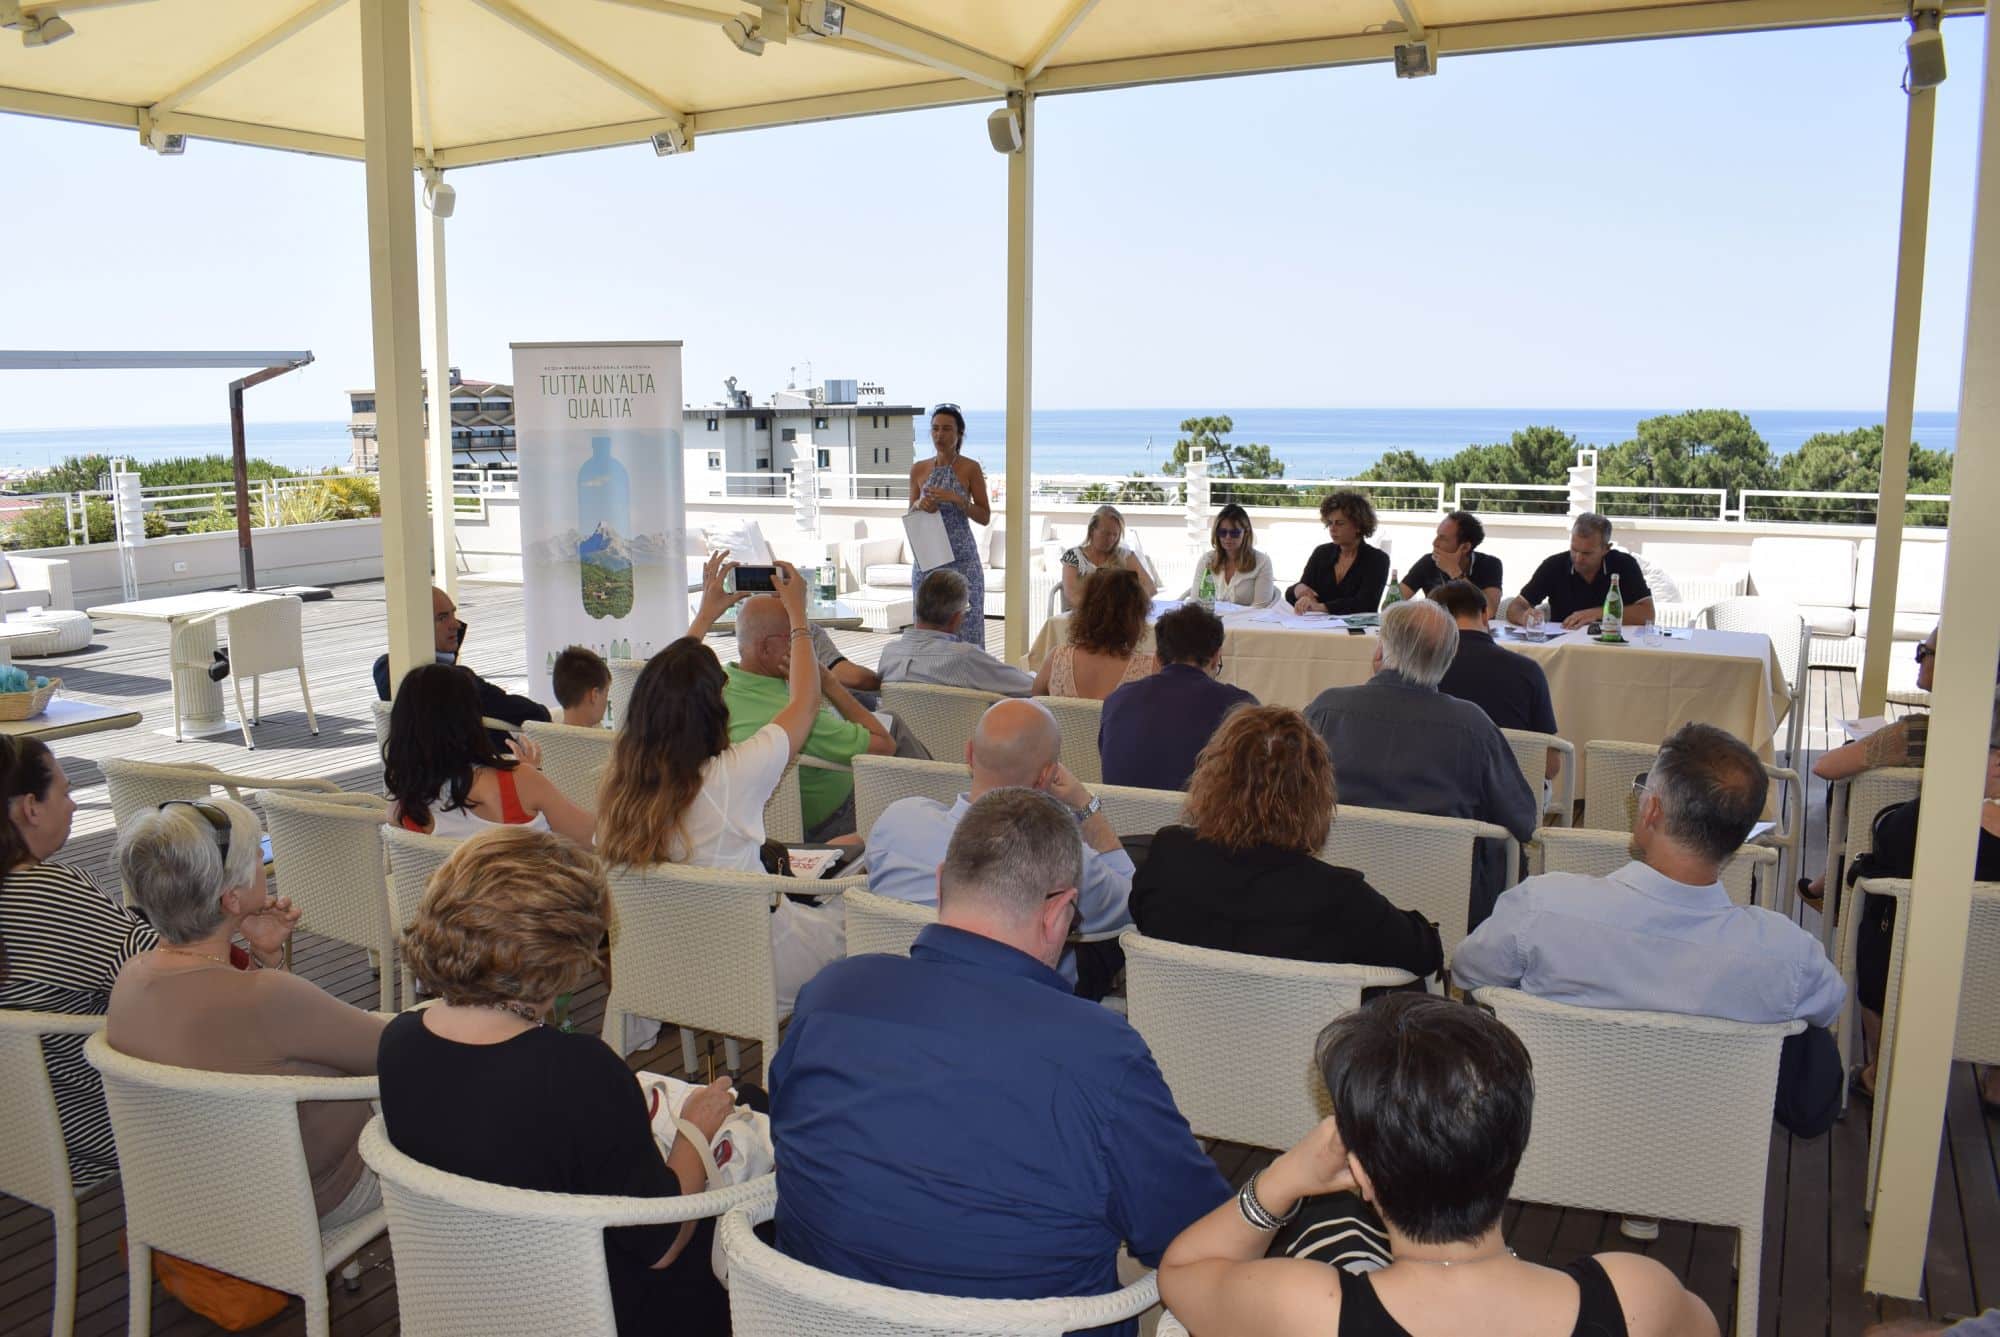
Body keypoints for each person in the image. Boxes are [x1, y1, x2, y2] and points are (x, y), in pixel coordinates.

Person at [773, 788, 1229, 1335]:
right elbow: (1197, 1235)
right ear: (1060, 913)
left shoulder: (828, 996)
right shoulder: (1102, 1055)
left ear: (941, 883)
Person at [1157, 994, 1719, 1337]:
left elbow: (1183, 1273)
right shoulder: (1636, 1295)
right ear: (1514, 1144)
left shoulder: (1308, 1311)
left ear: (1366, 1179)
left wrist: (1285, 1177)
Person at [380, 827, 739, 1336]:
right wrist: (695, 1132)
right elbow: (661, 1243)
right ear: (561, 953)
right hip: (588, 1306)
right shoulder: (576, 1070)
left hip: (466, 1289)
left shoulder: (400, 1040)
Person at [1453, 723, 1845, 1131]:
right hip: (1706, 1162)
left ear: (1652, 810)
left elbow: (1469, 971)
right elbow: (1828, 1004)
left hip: (1556, 1139)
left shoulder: (1541, 909)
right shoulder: (1789, 957)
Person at [108, 799, 387, 1230]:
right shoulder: (263, 996)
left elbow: (263, 1039)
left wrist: (264, 955)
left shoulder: (132, 978)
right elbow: (388, 1054)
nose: (263, 856)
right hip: (323, 1190)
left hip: (207, 1192)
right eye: (255, 851)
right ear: (232, 897)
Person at [597, 558, 844, 1015]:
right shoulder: (731, 775)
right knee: (854, 922)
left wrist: (705, 617)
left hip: (663, 967)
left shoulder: (622, 779)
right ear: (714, 705)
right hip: (752, 970)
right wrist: (799, 619)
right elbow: (805, 703)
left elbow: (660, 690)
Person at [1129, 706, 1441, 977]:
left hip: (1175, 1037)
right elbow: (1425, 952)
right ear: (1314, 796)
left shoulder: (1169, 855)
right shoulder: (1339, 896)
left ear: (1213, 778)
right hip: (1301, 1044)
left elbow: (1140, 915)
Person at [866, 698, 1133, 992]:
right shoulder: (1068, 859)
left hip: (902, 988)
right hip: (1028, 1004)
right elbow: (1134, 905)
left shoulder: (897, 820)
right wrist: (1085, 805)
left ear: (969, 754)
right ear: (1047, 775)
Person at [1305, 599, 1538, 930]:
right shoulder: (1473, 726)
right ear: (1446, 661)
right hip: (1446, 911)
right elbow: (1523, 820)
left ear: (1380, 652)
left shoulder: (1326, 711)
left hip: (1334, 901)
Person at [0, 736, 159, 1189]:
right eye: (66, 792)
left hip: (14, 1132)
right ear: (31, 807)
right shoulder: (49, 893)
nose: (72, 806)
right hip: (87, 1126)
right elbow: (166, 977)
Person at [1843, 691, 2000, 1110]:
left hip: (1927, 988)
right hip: (1990, 1002)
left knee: (1880, 910)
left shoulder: (1917, 825)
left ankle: (1881, 1069)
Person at [725, 584, 896, 840]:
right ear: (765, 648)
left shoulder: (717, 686)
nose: (805, 648)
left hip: (753, 823)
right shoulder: (800, 718)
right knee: (897, 734)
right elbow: (885, 745)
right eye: (793, 637)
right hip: (836, 818)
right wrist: (829, 683)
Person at [383, 662, 597, 847]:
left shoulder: (401, 812)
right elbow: (592, 838)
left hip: (449, 895)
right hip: (529, 893)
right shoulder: (520, 781)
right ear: (470, 719)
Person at [1098, 603, 1256, 791]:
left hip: (1118, 818)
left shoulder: (1117, 700)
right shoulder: (1240, 709)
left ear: (1157, 657)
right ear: (1215, 657)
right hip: (1202, 818)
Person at [1432, 579, 1561, 779]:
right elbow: (1550, 765)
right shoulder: (1527, 670)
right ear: (1485, 614)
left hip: (1437, 787)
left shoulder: (1422, 668)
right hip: (1509, 795)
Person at [371, 585, 549, 729]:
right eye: (442, 618)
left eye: (453, 614)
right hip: (479, 765)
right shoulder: (457, 679)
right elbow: (531, 713)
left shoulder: (385, 669)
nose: (455, 624)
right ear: (417, 626)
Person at [909, 402, 992, 647]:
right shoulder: (919, 469)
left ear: (959, 434)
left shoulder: (970, 468)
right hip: (928, 558)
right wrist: (920, 506)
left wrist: (957, 499)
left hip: (962, 559)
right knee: (926, 627)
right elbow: (910, 512)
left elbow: (984, 515)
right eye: (935, 429)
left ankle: (972, 681)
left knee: (969, 623)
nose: (939, 435)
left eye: (946, 429)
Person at [877, 568, 1034, 695]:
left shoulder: (889, 654)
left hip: (898, 734)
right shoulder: (965, 657)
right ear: (956, 618)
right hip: (961, 734)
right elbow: (1029, 687)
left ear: (918, 609)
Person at [1504, 512, 1655, 630]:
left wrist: (1596, 614)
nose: (1578, 558)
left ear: (1606, 549)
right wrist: (1524, 616)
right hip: (1566, 648)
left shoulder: (1624, 565)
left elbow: (1648, 614)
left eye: (1587, 553)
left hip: (1613, 645)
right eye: (1574, 550)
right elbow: (1515, 607)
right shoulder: (1554, 565)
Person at [1034, 566, 1159, 700]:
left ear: (1084, 611)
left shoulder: (1057, 659)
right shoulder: (1149, 669)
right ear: (1136, 617)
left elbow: (1037, 699)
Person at [1290, 490, 1392, 616]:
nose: (1332, 529)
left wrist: (1320, 607)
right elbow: (1298, 591)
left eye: (1340, 523)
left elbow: (1366, 604)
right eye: (1330, 523)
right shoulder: (1321, 553)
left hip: (1355, 631)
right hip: (1317, 627)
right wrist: (1299, 591)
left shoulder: (1377, 559)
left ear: (1358, 526)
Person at [1400, 509, 1502, 618]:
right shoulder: (1428, 562)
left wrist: (1454, 571)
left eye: (1443, 539)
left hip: (1473, 632)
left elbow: (1489, 612)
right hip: (1437, 631)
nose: (1435, 543)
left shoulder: (1490, 564)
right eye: (1437, 535)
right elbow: (1390, 604)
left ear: (1465, 547)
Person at [1061, 504, 1159, 610]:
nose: (1111, 539)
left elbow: (1150, 587)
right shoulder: (1074, 556)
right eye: (1106, 533)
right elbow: (1072, 595)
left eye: (1115, 535)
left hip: (1119, 617)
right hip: (1082, 617)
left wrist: (1129, 604)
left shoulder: (1125, 556)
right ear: (1092, 530)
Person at [1183, 503, 1275, 607]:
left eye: (1234, 533)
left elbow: (1261, 607)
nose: (1228, 537)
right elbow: (1195, 601)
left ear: (1246, 533)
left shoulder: (1262, 562)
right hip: (1210, 621)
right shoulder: (1206, 560)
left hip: (1247, 622)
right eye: (1222, 532)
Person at [552, 644, 612, 728]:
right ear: (595, 695)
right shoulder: (605, 739)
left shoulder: (538, 735)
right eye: (606, 693)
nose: (606, 702)